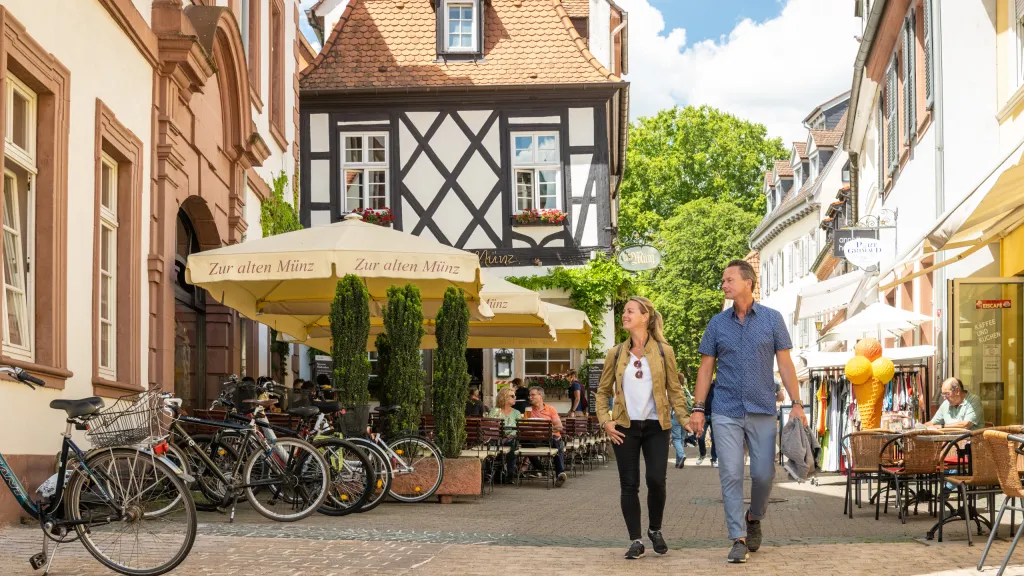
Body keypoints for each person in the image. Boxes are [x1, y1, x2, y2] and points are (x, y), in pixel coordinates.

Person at [690, 259, 806, 564]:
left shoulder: (772, 319)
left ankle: (754, 517)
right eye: (723, 280)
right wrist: (699, 409)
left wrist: (797, 403)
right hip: (726, 410)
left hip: (763, 409)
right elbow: (705, 370)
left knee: (764, 474)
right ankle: (737, 538)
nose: (724, 284)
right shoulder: (717, 324)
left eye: (729, 280)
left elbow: (785, 364)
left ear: (747, 282)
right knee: (729, 474)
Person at [596, 296, 692, 560]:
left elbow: (674, 389)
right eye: (624, 311)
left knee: (656, 480)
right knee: (629, 484)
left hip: (655, 426)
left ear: (644, 316)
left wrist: (685, 419)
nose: (624, 315)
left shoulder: (664, 351)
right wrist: (605, 420)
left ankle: (655, 530)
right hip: (624, 427)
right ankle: (635, 540)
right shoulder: (615, 353)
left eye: (629, 311)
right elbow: (602, 392)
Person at [524, 386, 568, 488]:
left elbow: (559, 427)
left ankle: (560, 475)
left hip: (551, 437)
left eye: (532, 395)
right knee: (525, 441)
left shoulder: (551, 409)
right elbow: (525, 428)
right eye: (529, 395)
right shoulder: (529, 410)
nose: (530, 397)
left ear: (540, 396)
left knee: (557, 442)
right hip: (536, 439)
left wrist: (547, 430)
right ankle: (540, 469)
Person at [487, 387, 522, 483]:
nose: (515, 398)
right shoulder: (495, 411)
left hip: (509, 439)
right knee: (489, 445)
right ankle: (490, 474)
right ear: (504, 397)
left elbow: (518, 429)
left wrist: (509, 436)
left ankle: (510, 475)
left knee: (511, 444)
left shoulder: (516, 413)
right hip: (496, 439)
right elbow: (491, 426)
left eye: (515, 396)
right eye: (512, 396)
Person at [696, 379, 717, 467]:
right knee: (700, 437)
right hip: (704, 415)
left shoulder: (716, 386)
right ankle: (702, 454)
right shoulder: (702, 385)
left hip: (714, 414)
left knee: (714, 438)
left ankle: (714, 459)